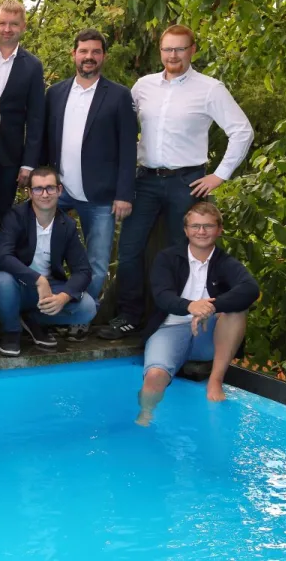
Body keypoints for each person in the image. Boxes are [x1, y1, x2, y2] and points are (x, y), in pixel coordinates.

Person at [101, 25, 254, 341]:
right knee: (129, 250)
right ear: (161, 51)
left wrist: (220, 175)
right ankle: (128, 315)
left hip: (187, 182)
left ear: (192, 50)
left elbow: (242, 131)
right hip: (144, 180)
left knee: (181, 255)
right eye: (168, 49)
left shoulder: (210, 89)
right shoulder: (143, 86)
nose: (173, 55)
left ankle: (167, 320)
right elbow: (123, 129)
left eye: (180, 49)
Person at [43, 30, 136, 326]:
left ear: (103, 57)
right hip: (60, 192)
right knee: (46, 251)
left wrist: (124, 193)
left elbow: (127, 149)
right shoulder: (56, 92)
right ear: (74, 54)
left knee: (97, 261)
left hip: (101, 195)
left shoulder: (119, 95)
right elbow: (46, 140)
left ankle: (84, 316)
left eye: (95, 52)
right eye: (84, 51)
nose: (89, 57)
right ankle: (47, 308)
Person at [136, 202, 259, 425]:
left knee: (236, 311)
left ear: (219, 229)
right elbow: (162, 295)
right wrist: (190, 306)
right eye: (195, 226)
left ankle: (215, 380)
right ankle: (145, 416)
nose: (201, 231)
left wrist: (211, 307)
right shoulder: (167, 258)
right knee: (154, 378)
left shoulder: (225, 262)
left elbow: (251, 289)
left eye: (208, 226)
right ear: (186, 230)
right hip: (169, 328)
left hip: (207, 334)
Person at [0, 0, 46, 293]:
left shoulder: (32, 66)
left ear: (23, 27)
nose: (7, 29)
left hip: (8, 156)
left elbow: (36, 117)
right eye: (2, 23)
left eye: (13, 24)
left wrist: (29, 163)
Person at [0, 168, 98, 357]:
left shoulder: (67, 225)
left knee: (88, 307)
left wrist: (64, 296)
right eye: (38, 189)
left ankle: (34, 321)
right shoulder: (16, 216)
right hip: (18, 287)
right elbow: (1, 256)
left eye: (50, 188)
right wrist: (38, 279)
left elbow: (83, 270)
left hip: (48, 291)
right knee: (0, 281)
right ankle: (12, 331)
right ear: (29, 192)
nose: (44, 194)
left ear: (59, 190)